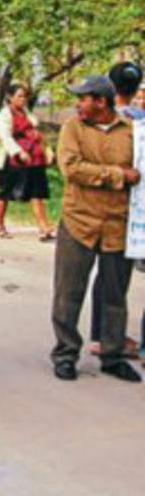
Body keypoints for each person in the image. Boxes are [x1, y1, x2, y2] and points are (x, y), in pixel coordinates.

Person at [48, 75, 141, 383]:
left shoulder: (132, 131)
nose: (78, 104)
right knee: (68, 293)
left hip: (118, 224)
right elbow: (72, 169)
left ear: (101, 101)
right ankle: (65, 353)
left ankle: (112, 355)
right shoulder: (72, 128)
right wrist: (118, 175)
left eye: (83, 98)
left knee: (115, 295)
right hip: (79, 221)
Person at [90, 61, 145, 357]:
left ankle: (99, 335)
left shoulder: (101, 121)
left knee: (106, 273)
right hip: (136, 208)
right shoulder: (140, 122)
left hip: (106, 204)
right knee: (117, 277)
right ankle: (115, 336)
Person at [0, 84, 54, 240]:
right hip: (12, 159)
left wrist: (46, 149)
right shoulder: (4, 115)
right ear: (10, 97)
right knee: (5, 192)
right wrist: (18, 152)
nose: (23, 99)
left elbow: (36, 133)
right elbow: (4, 136)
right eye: (19, 96)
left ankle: (43, 228)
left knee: (36, 192)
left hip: (33, 158)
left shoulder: (26, 113)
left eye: (25, 96)